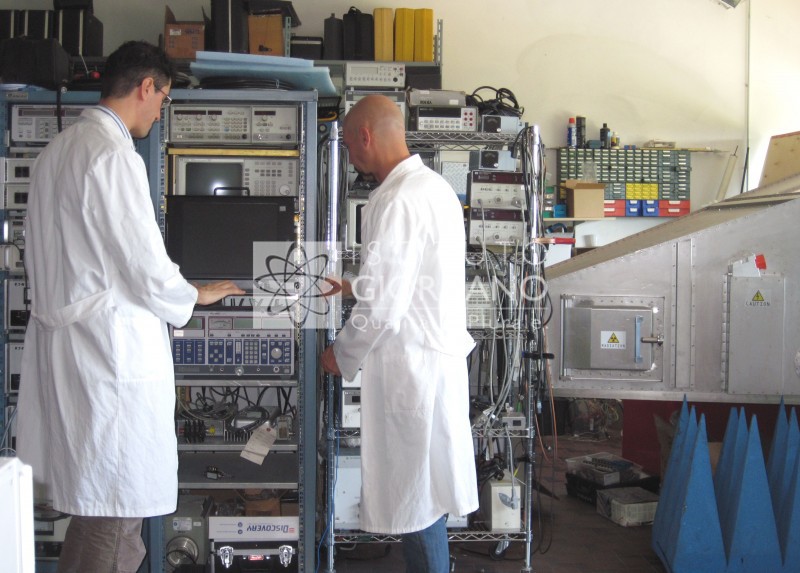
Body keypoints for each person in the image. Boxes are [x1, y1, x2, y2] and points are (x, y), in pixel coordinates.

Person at [16, 41, 244, 572]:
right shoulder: (112, 155)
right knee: (112, 513)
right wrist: (192, 294)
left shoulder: (58, 150)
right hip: (109, 359)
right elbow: (143, 261)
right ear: (146, 87)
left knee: (106, 513)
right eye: (163, 98)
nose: (160, 110)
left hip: (75, 353)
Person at [321, 94, 478, 572]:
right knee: (424, 492)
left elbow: (384, 307)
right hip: (433, 360)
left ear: (365, 136)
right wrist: (353, 285)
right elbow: (411, 279)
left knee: (417, 499)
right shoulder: (433, 188)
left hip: (413, 365)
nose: (351, 155)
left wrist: (341, 354)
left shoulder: (394, 199)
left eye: (350, 146)